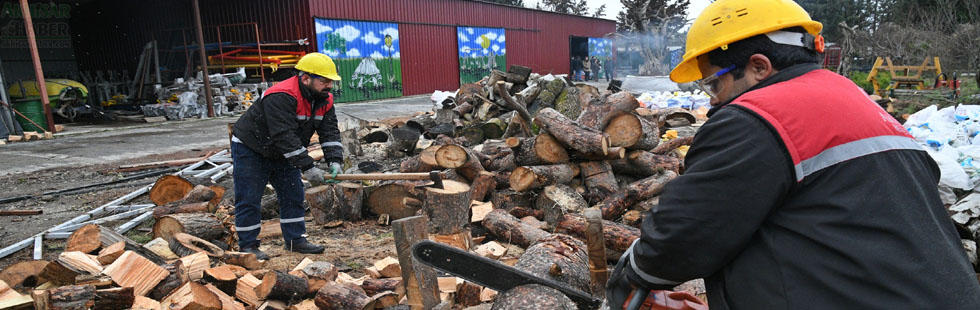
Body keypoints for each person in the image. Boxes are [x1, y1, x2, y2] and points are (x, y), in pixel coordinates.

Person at [605, 0, 980, 309]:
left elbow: (684, 236)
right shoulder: (853, 98)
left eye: (713, 83)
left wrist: (632, 272)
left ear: (758, 67)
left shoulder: (757, 118)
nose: (713, 98)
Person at [229, 52, 345, 259]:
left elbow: (330, 133)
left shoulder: (324, 100)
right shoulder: (281, 95)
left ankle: (296, 240)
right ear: (305, 78)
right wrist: (308, 167)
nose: (329, 86)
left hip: (285, 152)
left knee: (293, 195)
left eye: (331, 81)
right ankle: (248, 246)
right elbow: (283, 135)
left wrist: (335, 160)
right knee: (249, 198)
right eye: (324, 80)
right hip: (252, 148)